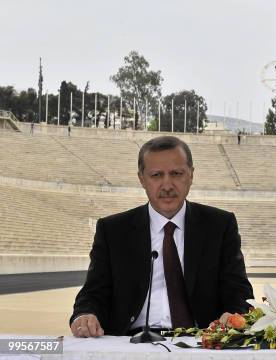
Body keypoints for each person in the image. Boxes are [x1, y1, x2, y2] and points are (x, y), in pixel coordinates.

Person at [70, 135, 254, 337]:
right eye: (156, 175)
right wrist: (85, 315)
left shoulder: (220, 225)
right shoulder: (113, 230)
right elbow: (93, 293)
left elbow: (240, 294)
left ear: (191, 175)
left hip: (202, 341)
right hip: (131, 342)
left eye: (176, 173)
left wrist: (236, 314)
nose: (167, 185)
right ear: (142, 179)